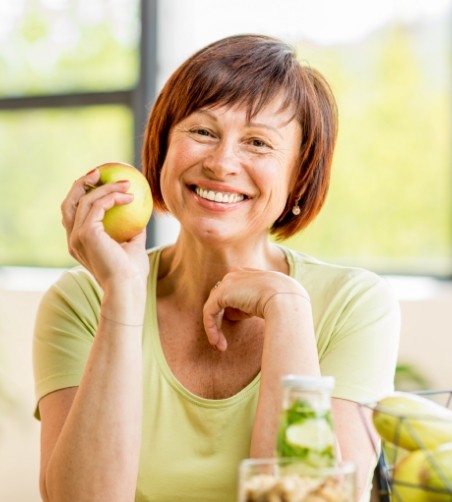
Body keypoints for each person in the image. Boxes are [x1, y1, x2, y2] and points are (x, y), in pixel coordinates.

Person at [33, 34, 400, 502]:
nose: (222, 162)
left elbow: (307, 499)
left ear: (299, 175)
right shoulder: (81, 301)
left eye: (258, 142)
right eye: (202, 131)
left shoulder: (354, 304)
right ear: (162, 146)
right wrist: (122, 297)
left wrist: (286, 309)